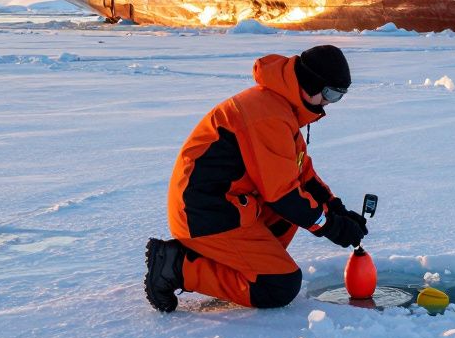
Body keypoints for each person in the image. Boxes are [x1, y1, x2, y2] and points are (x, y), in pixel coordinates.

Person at [144, 45, 366, 312]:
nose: (330, 104)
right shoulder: (269, 116)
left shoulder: (282, 108)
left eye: (339, 96)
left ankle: (233, 265)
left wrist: (337, 209)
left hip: (230, 205)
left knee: (290, 219)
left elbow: (301, 175)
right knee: (278, 285)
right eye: (330, 94)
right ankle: (178, 266)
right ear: (311, 83)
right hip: (205, 213)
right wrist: (332, 226)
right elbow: (284, 195)